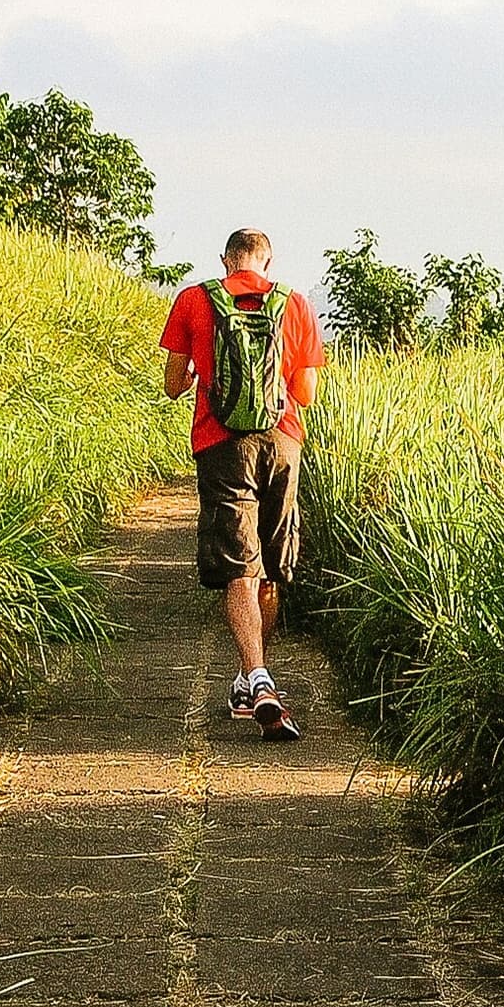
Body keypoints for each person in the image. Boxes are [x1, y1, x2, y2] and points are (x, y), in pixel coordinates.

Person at [160, 226, 325, 737]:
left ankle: (255, 677)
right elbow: (306, 392)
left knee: (239, 565)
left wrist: (198, 377)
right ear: (268, 264)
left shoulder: (193, 300)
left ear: (226, 261)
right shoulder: (295, 304)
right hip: (282, 443)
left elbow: (171, 385)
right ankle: (249, 678)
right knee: (271, 565)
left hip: (220, 443)